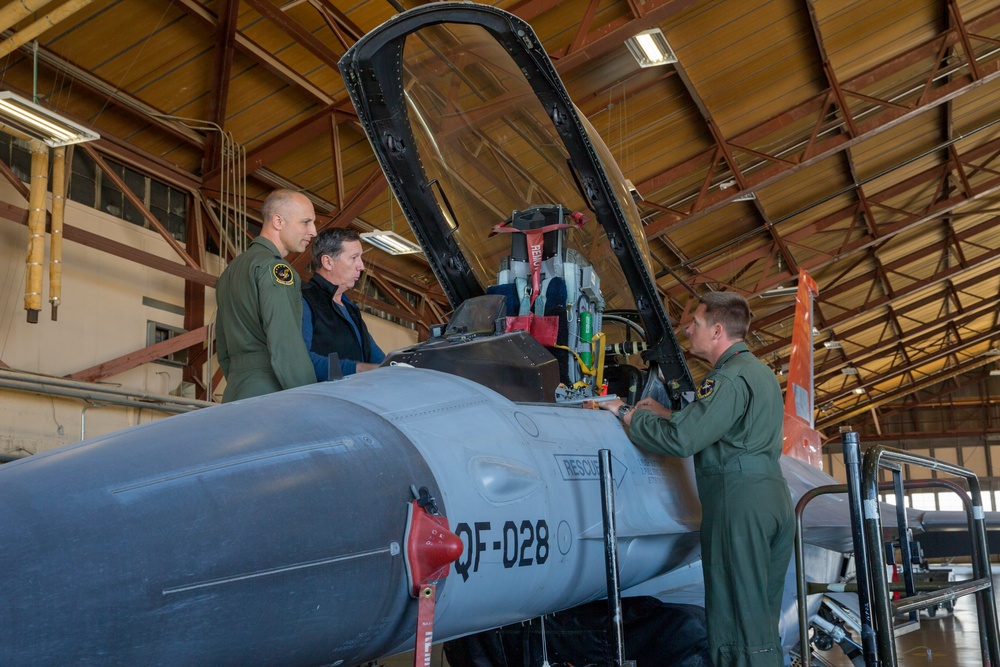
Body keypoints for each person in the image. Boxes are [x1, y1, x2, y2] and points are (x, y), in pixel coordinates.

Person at [595, 291, 793, 667]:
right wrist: (668, 414)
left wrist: (625, 412)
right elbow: (725, 428)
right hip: (770, 498)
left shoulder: (728, 378)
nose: (687, 329)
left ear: (718, 330)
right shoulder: (757, 372)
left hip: (739, 505)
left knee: (736, 620)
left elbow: (682, 441)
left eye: (696, 323)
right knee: (759, 617)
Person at [215, 189, 318, 402]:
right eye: (306, 222)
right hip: (272, 395)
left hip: (236, 392)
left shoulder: (230, 271)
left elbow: (223, 347)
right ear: (278, 221)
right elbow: (285, 342)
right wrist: (309, 398)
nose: (314, 231)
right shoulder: (276, 270)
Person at [301, 228, 386, 379]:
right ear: (328, 262)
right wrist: (357, 369)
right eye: (354, 258)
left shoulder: (351, 310)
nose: (361, 266)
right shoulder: (304, 300)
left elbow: (379, 359)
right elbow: (300, 360)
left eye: (360, 258)